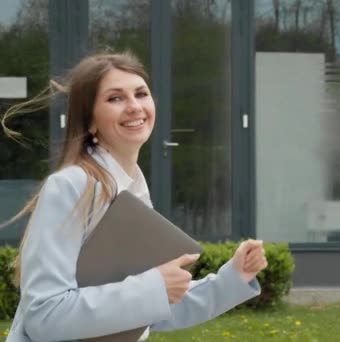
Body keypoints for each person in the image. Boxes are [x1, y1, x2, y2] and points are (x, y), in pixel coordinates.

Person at [1, 52, 268, 341]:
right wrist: (153, 288)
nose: (134, 107)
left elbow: (147, 311)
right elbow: (45, 316)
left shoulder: (134, 190)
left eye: (141, 94)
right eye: (115, 98)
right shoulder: (70, 186)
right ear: (90, 121)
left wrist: (232, 278)